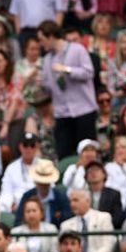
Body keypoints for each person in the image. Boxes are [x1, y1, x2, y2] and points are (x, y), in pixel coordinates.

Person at [37, 21, 97, 160]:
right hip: (62, 112)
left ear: (51, 36)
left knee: (87, 153)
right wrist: (42, 83)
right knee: (64, 153)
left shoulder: (77, 49)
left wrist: (68, 70)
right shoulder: (47, 60)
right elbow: (49, 88)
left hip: (83, 109)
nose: (41, 44)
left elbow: (89, 73)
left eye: (42, 39)